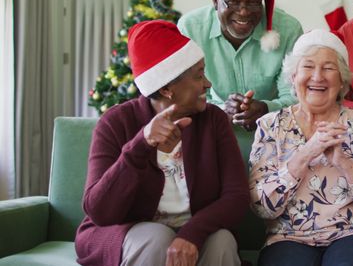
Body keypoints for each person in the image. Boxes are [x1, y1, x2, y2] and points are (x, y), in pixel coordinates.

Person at [75, 20, 250, 266]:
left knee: (222, 241)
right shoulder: (116, 122)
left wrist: (192, 233)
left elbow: (237, 197)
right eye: (199, 76)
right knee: (156, 238)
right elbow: (99, 211)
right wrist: (140, 145)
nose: (208, 84)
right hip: (130, 231)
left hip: (196, 228)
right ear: (167, 88)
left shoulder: (214, 120)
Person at [248, 30, 353, 266]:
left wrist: (345, 163)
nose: (317, 77)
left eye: (328, 68)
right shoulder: (271, 126)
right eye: (308, 66)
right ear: (293, 76)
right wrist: (306, 153)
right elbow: (261, 207)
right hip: (289, 237)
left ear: (342, 81)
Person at [178, 0, 303, 133]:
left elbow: (296, 95)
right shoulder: (190, 28)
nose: (243, 12)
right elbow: (185, 95)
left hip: (276, 136)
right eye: (233, 2)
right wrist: (221, 110)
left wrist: (266, 108)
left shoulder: (288, 29)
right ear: (215, 1)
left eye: (253, 2)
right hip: (211, 133)